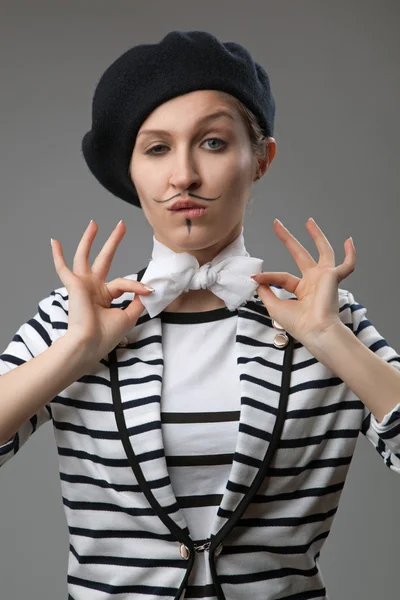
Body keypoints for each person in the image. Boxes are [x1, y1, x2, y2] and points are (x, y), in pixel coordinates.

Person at [1, 29, 400, 600]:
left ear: (261, 159)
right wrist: (73, 353)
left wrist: (328, 336)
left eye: (212, 143)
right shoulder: (79, 317)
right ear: (132, 171)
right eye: (156, 148)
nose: (183, 175)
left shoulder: (325, 316)